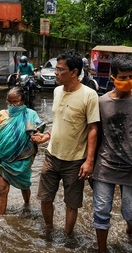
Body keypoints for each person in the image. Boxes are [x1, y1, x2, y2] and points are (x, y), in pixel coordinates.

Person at [91, 55, 132, 253]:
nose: (128, 80)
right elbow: (95, 134)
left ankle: (130, 230)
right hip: (105, 166)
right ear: (112, 77)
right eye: (122, 77)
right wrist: (88, 163)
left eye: (131, 76)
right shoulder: (101, 102)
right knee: (101, 212)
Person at [31, 50, 100, 237]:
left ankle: (68, 237)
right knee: (45, 199)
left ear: (74, 72)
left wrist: (90, 161)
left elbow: (93, 128)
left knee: (72, 204)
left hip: (76, 160)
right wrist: (47, 136)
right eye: (56, 69)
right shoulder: (56, 91)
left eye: (60, 70)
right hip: (52, 156)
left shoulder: (89, 95)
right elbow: (60, 120)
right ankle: (49, 230)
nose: (55, 73)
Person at [0, 87, 45, 214]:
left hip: (23, 158)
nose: (12, 105)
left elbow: (38, 130)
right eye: (9, 102)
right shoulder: (2, 114)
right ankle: (1, 218)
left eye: (15, 102)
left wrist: (36, 135)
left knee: (24, 185)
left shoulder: (30, 114)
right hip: (4, 159)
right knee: (2, 189)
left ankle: (27, 205)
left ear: (22, 101)